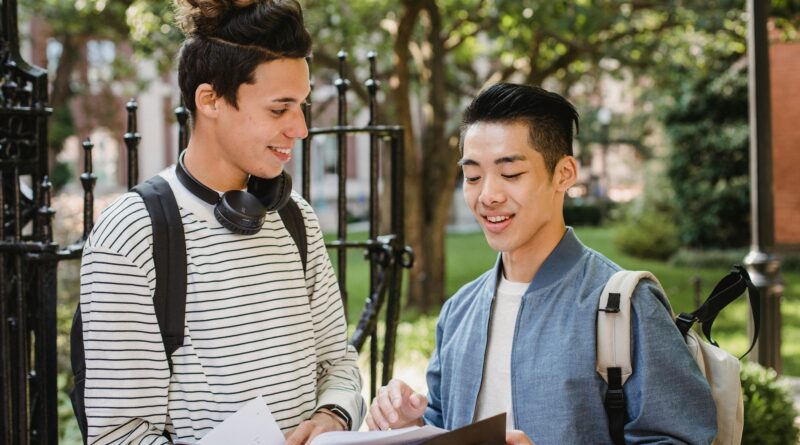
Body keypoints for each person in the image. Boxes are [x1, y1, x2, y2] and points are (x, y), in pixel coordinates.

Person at [366, 83, 717, 444]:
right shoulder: (459, 311)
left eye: (511, 174)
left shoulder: (627, 305)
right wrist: (411, 427)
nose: (487, 195)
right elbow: (443, 427)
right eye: (472, 177)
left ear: (563, 174)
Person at [77, 1, 364, 444]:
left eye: (301, 106)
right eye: (279, 109)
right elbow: (120, 435)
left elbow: (337, 364)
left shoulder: (295, 218)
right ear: (209, 99)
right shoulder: (132, 234)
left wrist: (333, 416)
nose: (301, 128)